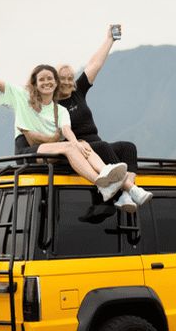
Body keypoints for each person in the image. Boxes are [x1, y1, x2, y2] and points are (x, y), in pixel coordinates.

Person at [0, 54, 128, 203]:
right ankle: (101, 183)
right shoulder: (22, 96)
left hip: (50, 152)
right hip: (27, 151)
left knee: (78, 144)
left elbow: (67, 131)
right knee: (69, 146)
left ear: (56, 83)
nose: (46, 82)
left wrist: (77, 143)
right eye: (41, 79)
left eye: (50, 78)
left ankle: (107, 179)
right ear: (34, 83)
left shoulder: (60, 109)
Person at [54, 25, 151, 212]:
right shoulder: (52, 105)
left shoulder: (78, 91)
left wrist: (110, 39)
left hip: (97, 145)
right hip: (80, 149)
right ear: (55, 81)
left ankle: (124, 193)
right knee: (104, 147)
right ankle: (127, 192)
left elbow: (94, 65)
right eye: (62, 78)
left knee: (127, 147)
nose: (66, 82)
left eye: (69, 77)